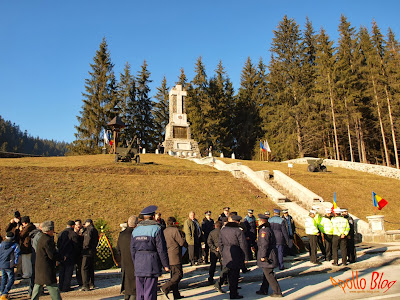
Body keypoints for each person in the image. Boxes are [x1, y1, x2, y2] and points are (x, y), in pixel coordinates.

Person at [131, 205, 169, 300]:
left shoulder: (135, 230)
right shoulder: (156, 229)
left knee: (140, 293)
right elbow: (161, 249)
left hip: (139, 264)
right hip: (151, 264)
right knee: (150, 291)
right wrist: (165, 264)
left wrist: (135, 262)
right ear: (152, 217)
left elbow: (132, 249)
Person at [218, 214, 248, 299]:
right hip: (236, 253)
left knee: (229, 273)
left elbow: (220, 243)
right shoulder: (238, 231)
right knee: (234, 275)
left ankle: (232, 291)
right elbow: (243, 245)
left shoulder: (223, 230)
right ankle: (233, 293)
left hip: (226, 253)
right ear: (236, 222)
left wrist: (222, 253)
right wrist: (245, 257)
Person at [31, 221, 62, 300]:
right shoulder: (48, 240)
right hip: (47, 267)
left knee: (37, 286)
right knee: (53, 287)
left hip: (39, 266)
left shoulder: (41, 238)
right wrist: (61, 258)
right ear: (49, 230)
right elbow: (51, 255)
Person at [256, 214, 283, 297]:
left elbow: (264, 244)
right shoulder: (267, 229)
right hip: (270, 254)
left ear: (261, 221)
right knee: (266, 273)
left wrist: (263, 256)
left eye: (259, 221)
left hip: (268, 255)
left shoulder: (264, 231)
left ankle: (277, 292)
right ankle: (263, 289)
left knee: (269, 274)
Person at [161, 217, 186, 299]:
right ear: (174, 223)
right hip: (175, 256)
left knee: (173, 275)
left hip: (168, 256)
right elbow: (181, 243)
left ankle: (176, 294)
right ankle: (165, 287)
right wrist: (183, 238)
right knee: (178, 275)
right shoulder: (175, 231)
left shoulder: (164, 231)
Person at [117, 215, 138, 300]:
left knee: (127, 283)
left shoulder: (122, 234)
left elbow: (117, 249)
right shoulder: (135, 234)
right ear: (136, 224)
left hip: (124, 261)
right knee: (134, 288)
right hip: (134, 261)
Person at [57, 220, 79, 292]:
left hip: (61, 255)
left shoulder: (61, 233)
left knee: (62, 271)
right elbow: (76, 246)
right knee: (68, 272)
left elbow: (58, 244)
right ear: (73, 226)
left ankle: (60, 285)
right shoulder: (73, 234)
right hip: (70, 255)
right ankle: (66, 286)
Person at [0, 232, 20, 300]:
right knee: (11, 279)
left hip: (2, 264)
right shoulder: (15, 245)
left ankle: (2, 292)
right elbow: (17, 254)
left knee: (3, 278)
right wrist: (15, 263)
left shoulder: (1, 244)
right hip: (9, 264)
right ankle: (5, 293)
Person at [80, 219, 99, 291]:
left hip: (87, 252)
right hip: (93, 251)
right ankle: (92, 283)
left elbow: (87, 241)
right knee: (91, 267)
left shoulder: (89, 230)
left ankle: (85, 285)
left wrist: (84, 248)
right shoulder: (95, 230)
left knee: (84, 268)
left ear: (88, 223)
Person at [74, 220, 84, 287]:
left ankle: (82, 281)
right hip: (76, 253)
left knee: (81, 267)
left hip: (82, 252)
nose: (78, 226)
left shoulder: (83, 231)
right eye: (76, 225)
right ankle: (79, 281)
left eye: (78, 225)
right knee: (78, 268)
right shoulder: (74, 233)